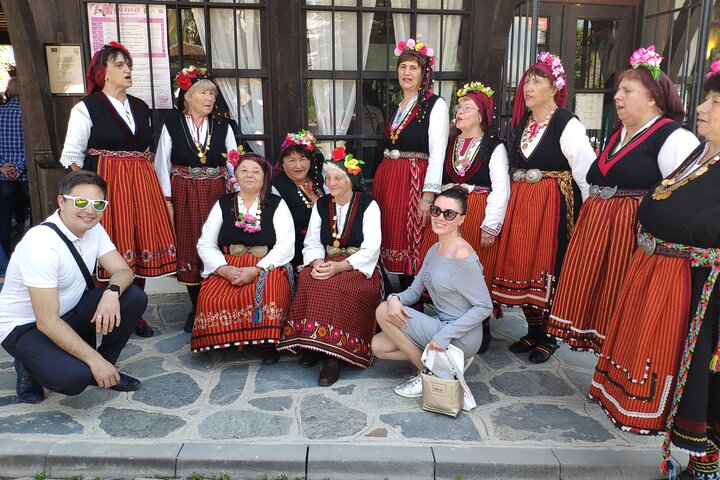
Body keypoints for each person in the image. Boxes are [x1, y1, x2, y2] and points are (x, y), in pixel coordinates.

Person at [589, 61, 720, 480]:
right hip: (665, 276)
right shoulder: (701, 153)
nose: (701, 107)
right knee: (674, 367)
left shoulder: (680, 143)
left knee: (700, 373)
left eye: (715, 102)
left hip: (700, 288)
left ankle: (707, 462)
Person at [548, 46, 699, 353]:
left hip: (630, 236)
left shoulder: (672, 137)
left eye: (627, 90)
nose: (617, 96)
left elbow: (683, 198)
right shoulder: (619, 135)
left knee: (621, 299)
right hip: (601, 230)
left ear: (653, 97)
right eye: (617, 90)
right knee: (601, 299)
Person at [59, 42, 176, 338]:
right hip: (108, 185)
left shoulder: (139, 106)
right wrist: (91, 192)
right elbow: (72, 156)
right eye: (120, 65)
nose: (127, 70)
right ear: (103, 72)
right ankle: (107, 309)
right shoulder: (86, 108)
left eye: (129, 65)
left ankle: (133, 311)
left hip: (141, 182)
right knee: (111, 244)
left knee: (140, 241)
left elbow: (146, 148)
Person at [0, 171, 147, 403]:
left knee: (134, 297)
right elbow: (46, 321)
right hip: (25, 326)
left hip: (67, 311)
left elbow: (123, 271)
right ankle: (28, 366)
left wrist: (112, 292)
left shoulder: (94, 229)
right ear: (62, 201)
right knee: (73, 379)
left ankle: (104, 368)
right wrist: (93, 361)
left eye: (98, 204)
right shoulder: (41, 245)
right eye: (80, 202)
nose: (90, 211)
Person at [490, 52, 595, 364]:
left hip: (551, 206)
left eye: (538, 81)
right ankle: (533, 331)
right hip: (523, 204)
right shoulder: (523, 123)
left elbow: (585, 173)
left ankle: (547, 336)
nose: (529, 87)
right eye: (527, 81)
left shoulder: (567, 123)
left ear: (554, 87)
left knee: (545, 266)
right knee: (521, 264)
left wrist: (587, 217)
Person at [372, 186, 493, 398]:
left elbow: (484, 306)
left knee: (382, 312)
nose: (440, 218)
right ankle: (440, 367)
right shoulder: (433, 250)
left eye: (449, 214)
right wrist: (394, 298)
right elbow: (414, 291)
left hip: (460, 335)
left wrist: (445, 335)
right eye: (436, 211)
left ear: (461, 219)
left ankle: (429, 374)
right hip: (439, 324)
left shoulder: (463, 255)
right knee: (379, 346)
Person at [417, 81, 510, 354]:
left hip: (474, 213)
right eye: (458, 107)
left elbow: (501, 188)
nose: (459, 112)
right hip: (447, 213)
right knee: (439, 263)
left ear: (481, 115)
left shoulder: (495, 146)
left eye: (466, 108)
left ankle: (480, 326)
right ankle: (443, 314)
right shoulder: (449, 143)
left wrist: (491, 224)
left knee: (472, 270)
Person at [278, 147, 382, 386]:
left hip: (357, 265)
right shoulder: (322, 205)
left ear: (352, 179)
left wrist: (339, 267)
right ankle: (313, 344)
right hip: (327, 260)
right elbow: (312, 241)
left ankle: (333, 357)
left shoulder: (368, 204)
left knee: (339, 286)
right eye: (329, 178)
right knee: (308, 279)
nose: (332, 183)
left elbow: (372, 247)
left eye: (338, 178)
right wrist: (316, 262)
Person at [154, 66, 238, 333]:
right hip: (184, 191)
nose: (209, 98)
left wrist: (237, 197)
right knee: (191, 244)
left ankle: (217, 300)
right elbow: (161, 164)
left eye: (212, 94)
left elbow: (235, 161)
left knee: (218, 240)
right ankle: (197, 307)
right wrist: (167, 200)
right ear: (188, 96)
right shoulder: (172, 124)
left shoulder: (224, 125)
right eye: (203, 92)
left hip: (217, 190)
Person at [192, 151, 295, 365]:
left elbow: (285, 244)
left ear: (265, 177)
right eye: (244, 170)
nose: (250, 175)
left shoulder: (276, 204)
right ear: (235, 174)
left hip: (265, 264)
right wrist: (222, 269)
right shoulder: (223, 203)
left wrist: (257, 269)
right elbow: (206, 243)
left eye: (256, 171)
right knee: (211, 296)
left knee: (270, 291)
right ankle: (229, 339)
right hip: (230, 263)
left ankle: (267, 342)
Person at [373, 38, 449, 279]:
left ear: (424, 73)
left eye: (413, 68)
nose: (407, 72)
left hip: (412, 180)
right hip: (390, 180)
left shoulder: (434, 105)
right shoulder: (399, 106)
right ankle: (392, 294)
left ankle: (412, 299)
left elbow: (438, 152)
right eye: (403, 67)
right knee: (390, 233)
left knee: (410, 237)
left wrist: (428, 195)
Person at [271, 130, 324, 268]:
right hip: (297, 250)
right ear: (282, 163)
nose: (298, 165)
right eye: (292, 160)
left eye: (303, 159)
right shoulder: (277, 187)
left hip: (327, 245)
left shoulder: (318, 179)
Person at [0, 78, 28, 261]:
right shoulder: (29, 114)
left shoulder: (0, 112)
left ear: (8, 92)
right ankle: (29, 254)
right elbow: (33, 143)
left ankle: (5, 256)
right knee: (36, 212)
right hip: (26, 172)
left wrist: (2, 165)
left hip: (3, 173)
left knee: (3, 215)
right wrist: (19, 167)